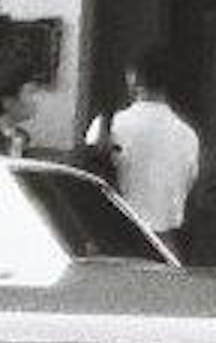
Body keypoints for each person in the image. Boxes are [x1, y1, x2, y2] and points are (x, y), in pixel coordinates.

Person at [83, 51, 201, 257]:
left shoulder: (108, 126)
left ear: (132, 78)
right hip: (164, 245)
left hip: (113, 239)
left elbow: (86, 182)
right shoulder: (188, 135)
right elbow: (188, 184)